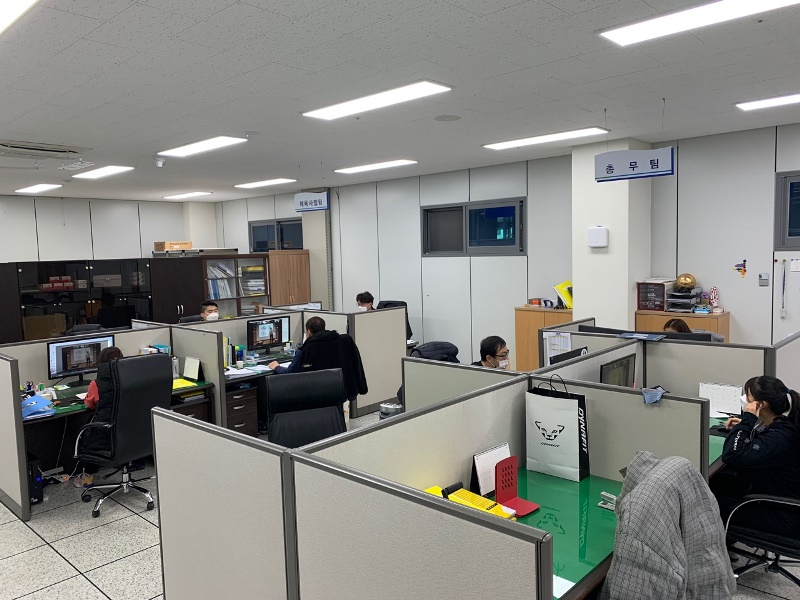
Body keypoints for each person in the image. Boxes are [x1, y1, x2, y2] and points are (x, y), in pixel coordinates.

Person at [713, 376, 800, 538]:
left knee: (706, 503)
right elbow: (764, 446)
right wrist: (744, 427)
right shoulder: (785, 424)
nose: (745, 400)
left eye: (748, 396)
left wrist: (748, 420)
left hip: (783, 514)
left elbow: (731, 455)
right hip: (779, 498)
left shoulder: (780, 438)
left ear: (761, 405)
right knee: (718, 483)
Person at [269, 315, 367, 400]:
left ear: (308, 332)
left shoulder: (307, 349)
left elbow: (290, 373)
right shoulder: (341, 340)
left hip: (317, 395)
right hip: (340, 390)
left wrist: (277, 367)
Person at [74, 346, 124, 487]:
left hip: (106, 435)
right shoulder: (131, 377)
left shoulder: (96, 384)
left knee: (88, 431)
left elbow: (90, 404)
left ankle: (87, 476)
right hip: (130, 432)